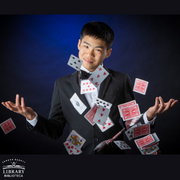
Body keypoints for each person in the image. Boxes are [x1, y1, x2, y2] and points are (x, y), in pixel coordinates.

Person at [1, 21, 178, 154]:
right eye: (86, 46)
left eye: (98, 49)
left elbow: (130, 126)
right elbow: (55, 130)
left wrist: (149, 115)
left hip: (114, 160)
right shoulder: (61, 84)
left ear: (108, 52)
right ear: (78, 45)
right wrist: (32, 117)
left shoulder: (121, 80)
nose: (89, 54)